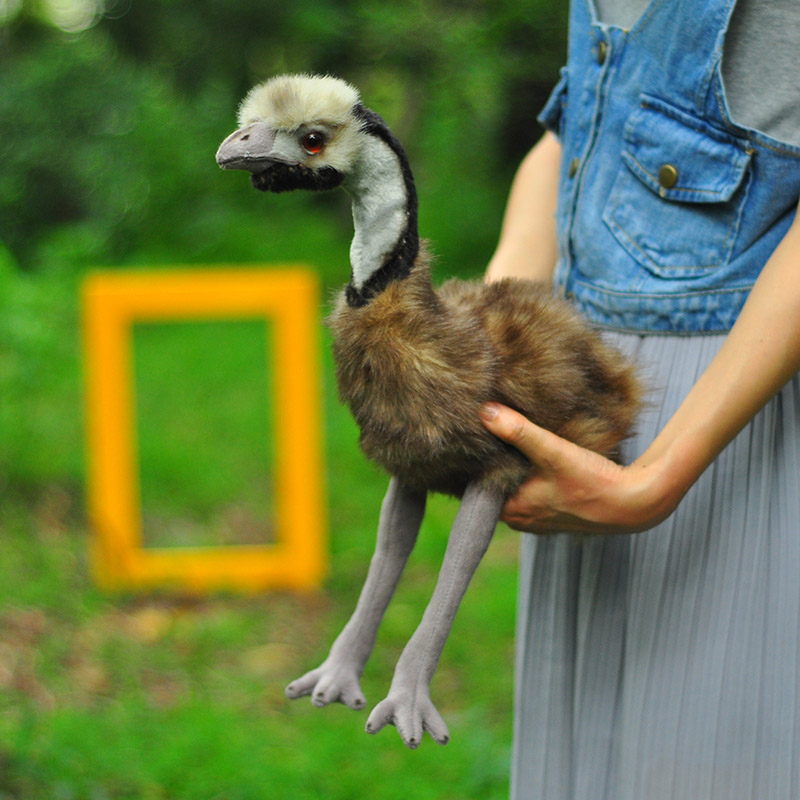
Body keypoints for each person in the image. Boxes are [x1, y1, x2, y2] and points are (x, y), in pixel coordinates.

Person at [479, 1, 800, 798]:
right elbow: (577, 129)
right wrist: (485, 341)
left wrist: (654, 479)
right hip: (595, 420)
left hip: (730, 418)